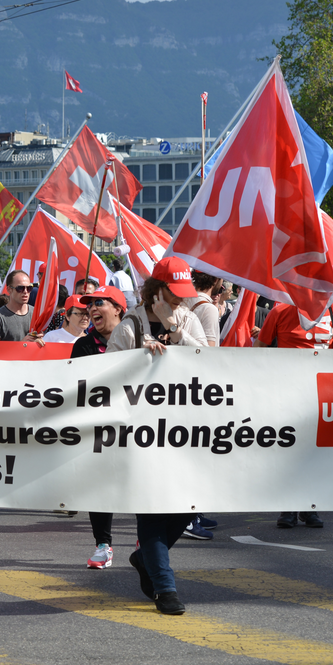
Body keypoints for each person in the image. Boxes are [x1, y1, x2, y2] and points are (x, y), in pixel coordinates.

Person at [108, 258, 206, 615]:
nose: (180, 299)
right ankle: (165, 589)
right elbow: (107, 377)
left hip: (185, 433)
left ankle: (143, 558)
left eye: (182, 293)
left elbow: (210, 362)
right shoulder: (129, 326)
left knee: (187, 506)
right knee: (151, 511)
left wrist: (173, 329)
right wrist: (138, 361)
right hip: (142, 437)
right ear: (156, 290)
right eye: (173, 293)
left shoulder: (187, 319)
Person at [256, 299, 333, 530]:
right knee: (290, 449)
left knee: (316, 451)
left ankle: (310, 505)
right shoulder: (280, 310)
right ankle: (289, 507)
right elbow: (260, 348)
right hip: (288, 392)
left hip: (325, 393)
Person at [71, 285, 126, 569]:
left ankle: (147, 542)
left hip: (136, 426)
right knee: (98, 483)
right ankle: (103, 545)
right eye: (89, 305)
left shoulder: (139, 340)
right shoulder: (83, 345)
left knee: (139, 482)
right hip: (99, 426)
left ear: (118, 309)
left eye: (99, 302)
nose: (92, 309)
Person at [0, 270, 37, 342]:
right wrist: (22, 345)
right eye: (20, 288)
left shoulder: (36, 313)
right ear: (9, 289)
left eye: (29, 288)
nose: (25, 291)